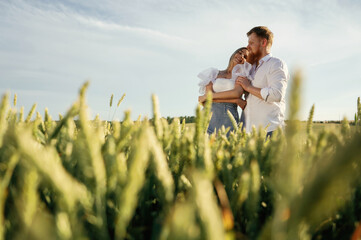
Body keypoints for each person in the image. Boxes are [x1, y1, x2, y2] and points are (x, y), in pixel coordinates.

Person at [236, 26, 289, 138]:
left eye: (251, 43)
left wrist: (249, 87)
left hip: (270, 131)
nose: (247, 46)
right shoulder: (251, 68)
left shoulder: (276, 63)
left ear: (263, 42)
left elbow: (276, 94)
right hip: (249, 133)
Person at [197, 47, 252, 134]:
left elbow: (236, 93)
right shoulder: (213, 73)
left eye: (245, 57)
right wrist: (235, 100)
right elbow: (208, 96)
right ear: (234, 54)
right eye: (240, 52)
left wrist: (208, 97)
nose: (241, 56)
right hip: (209, 116)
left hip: (229, 118)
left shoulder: (241, 76)